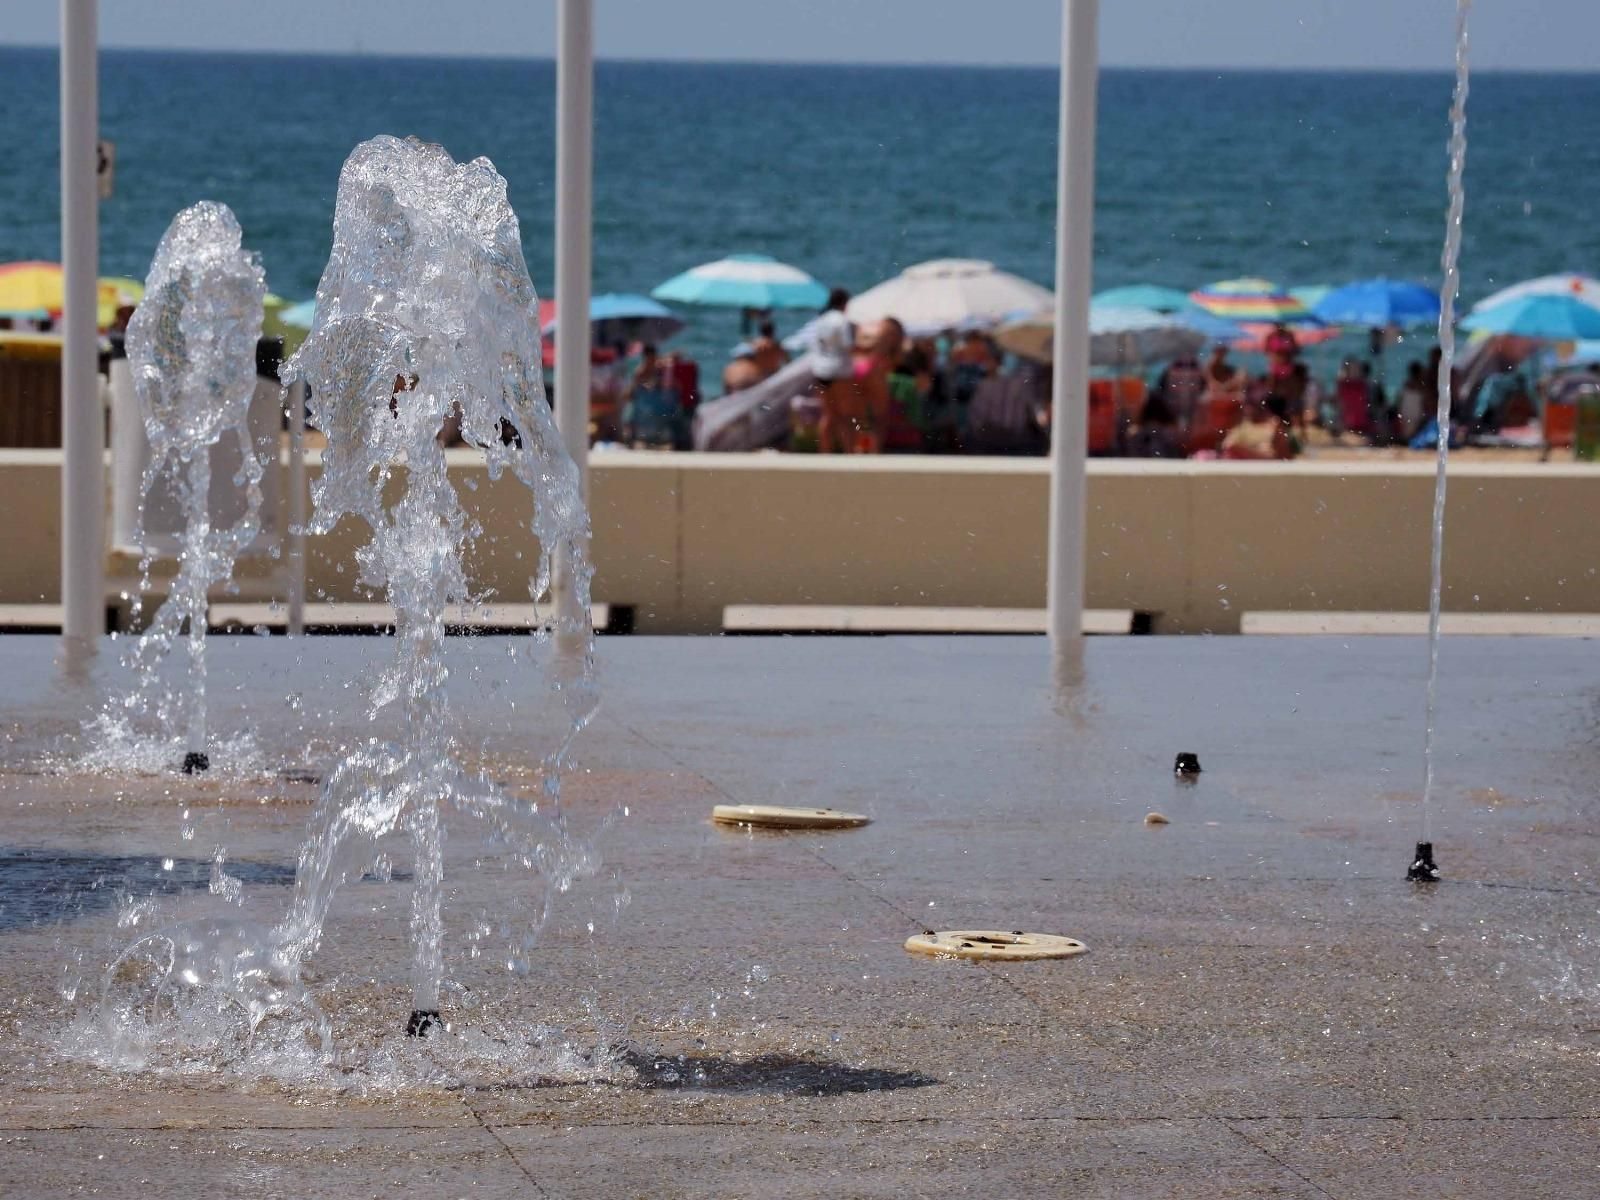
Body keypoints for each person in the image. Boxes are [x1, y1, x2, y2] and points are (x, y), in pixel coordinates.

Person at [811, 288, 855, 454]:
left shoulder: (821, 319)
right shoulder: (841, 320)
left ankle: (824, 453)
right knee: (845, 415)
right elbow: (848, 346)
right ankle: (849, 452)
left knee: (828, 415)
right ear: (844, 303)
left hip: (820, 369)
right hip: (839, 370)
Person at [1396, 360, 1427, 441]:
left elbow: (1400, 400)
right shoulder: (1421, 386)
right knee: (1413, 432)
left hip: (1405, 411)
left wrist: (1398, 412)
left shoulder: (1406, 384)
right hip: (1416, 413)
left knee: (1407, 432)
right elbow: (1423, 402)